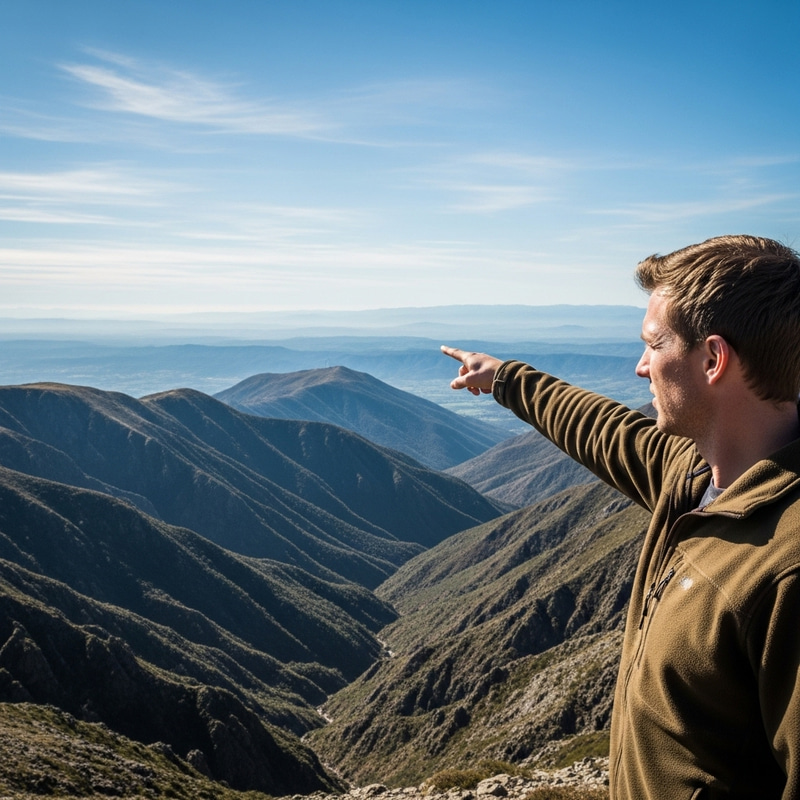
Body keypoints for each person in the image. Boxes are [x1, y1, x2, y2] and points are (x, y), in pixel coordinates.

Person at [442, 234, 800, 800]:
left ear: (713, 360)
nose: (640, 368)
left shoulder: (788, 568)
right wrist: (505, 378)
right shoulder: (692, 472)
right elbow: (603, 429)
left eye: (653, 345)